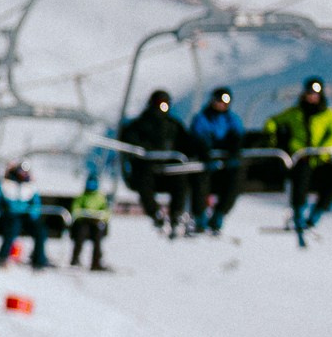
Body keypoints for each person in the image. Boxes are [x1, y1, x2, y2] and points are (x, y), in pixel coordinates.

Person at [267, 77, 332, 233]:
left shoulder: (328, 115)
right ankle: (298, 212)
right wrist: (272, 136)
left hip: (320, 160)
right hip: (300, 158)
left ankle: (317, 212)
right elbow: (273, 121)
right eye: (309, 93)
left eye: (315, 94)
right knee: (301, 173)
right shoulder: (295, 113)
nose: (312, 97)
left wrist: (322, 149)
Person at [117, 89, 202, 234]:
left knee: (181, 180)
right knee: (144, 180)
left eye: (165, 104)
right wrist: (145, 150)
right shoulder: (140, 124)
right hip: (147, 170)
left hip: (168, 171)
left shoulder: (173, 126)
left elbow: (187, 143)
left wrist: (198, 150)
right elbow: (130, 140)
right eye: (159, 104)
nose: (162, 107)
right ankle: (155, 213)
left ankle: (176, 213)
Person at [189, 85, 246, 235]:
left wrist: (233, 155)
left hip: (224, 165)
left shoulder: (232, 119)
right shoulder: (202, 118)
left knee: (236, 179)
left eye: (225, 101)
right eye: (218, 101)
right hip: (206, 162)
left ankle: (219, 214)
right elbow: (198, 137)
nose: (221, 104)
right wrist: (206, 156)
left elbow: (237, 137)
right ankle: (200, 216)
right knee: (200, 178)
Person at [0, 162, 50, 269]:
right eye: (20, 171)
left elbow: (36, 203)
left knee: (41, 231)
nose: (23, 174)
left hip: (27, 216)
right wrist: (2, 209)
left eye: (25, 172)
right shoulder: (5, 184)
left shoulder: (30, 186)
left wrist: (33, 213)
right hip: (10, 215)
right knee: (13, 228)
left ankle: (39, 260)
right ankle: (3, 257)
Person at [68, 158, 110, 270]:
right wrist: (83, 214)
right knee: (81, 234)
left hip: (95, 223)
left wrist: (100, 216)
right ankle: (75, 259)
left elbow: (106, 212)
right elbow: (75, 209)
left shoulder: (100, 198)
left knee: (97, 237)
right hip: (83, 222)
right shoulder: (82, 196)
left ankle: (96, 262)